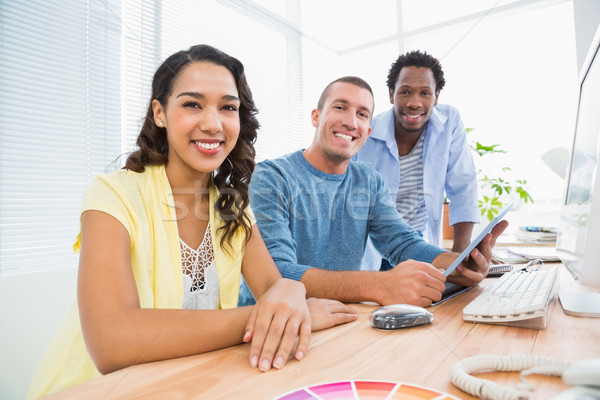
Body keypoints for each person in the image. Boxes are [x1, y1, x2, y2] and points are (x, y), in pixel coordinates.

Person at [26, 45, 357, 399]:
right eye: (192, 104)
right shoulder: (112, 194)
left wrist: (291, 291)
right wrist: (260, 316)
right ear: (160, 113)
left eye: (228, 107)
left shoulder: (232, 207)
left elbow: (275, 289)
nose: (213, 123)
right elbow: (112, 342)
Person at [240, 76, 506, 308]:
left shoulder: (368, 181)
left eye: (362, 114)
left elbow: (403, 244)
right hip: (266, 325)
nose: (350, 121)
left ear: (367, 132)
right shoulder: (271, 176)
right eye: (340, 107)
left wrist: (459, 263)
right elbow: (278, 274)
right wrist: (379, 284)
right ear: (316, 116)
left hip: (338, 321)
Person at [354, 50, 479, 271]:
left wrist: (460, 258)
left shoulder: (449, 122)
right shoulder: (366, 132)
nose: (414, 102)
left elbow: (462, 186)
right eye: (405, 92)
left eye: (425, 93)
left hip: (418, 244)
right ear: (391, 94)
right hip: (371, 247)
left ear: (436, 96)